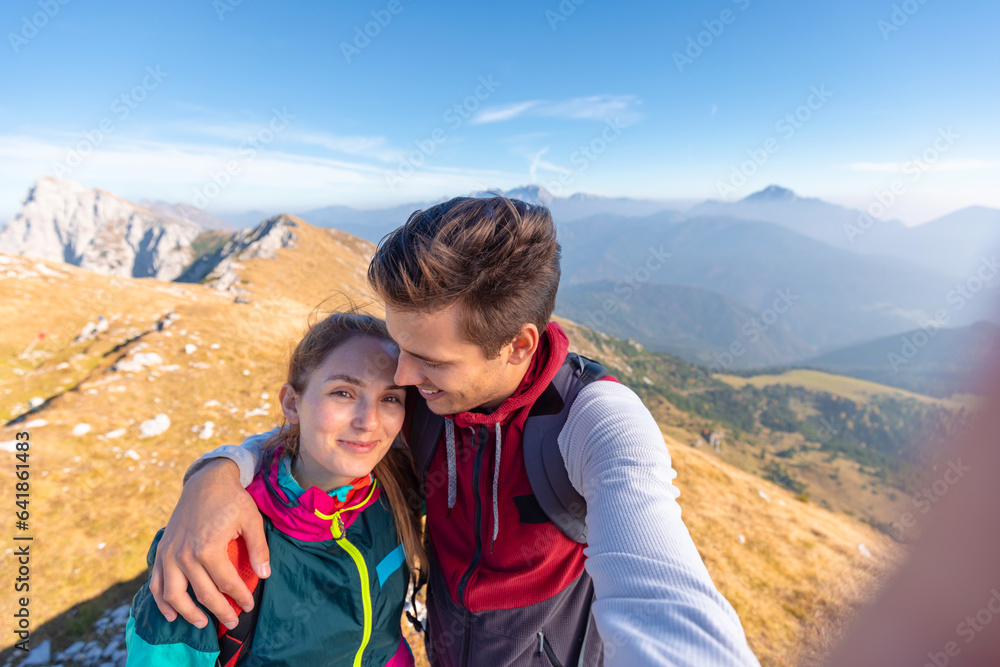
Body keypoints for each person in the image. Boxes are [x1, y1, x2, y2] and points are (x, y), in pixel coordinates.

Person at [152, 196, 761, 666]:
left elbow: (662, 597)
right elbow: (319, 434)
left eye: (432, 361)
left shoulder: (596, 422)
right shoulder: (420, 393)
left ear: (517, 345)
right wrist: (217, 476)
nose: (406, 378)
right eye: (404, 351)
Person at [125, 311, 424, 666]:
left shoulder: (399, 486)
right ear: (292, 403)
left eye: (390, 398)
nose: (369, 422)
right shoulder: (212, 542)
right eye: (343, 393)